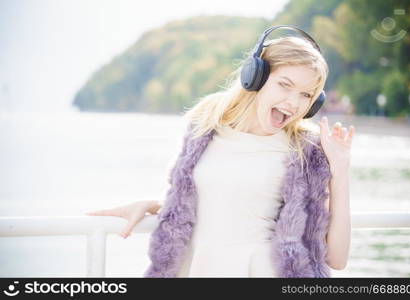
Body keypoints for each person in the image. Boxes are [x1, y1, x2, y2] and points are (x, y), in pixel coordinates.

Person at [86, 28, 355, 277]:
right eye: (284, 85)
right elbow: (216, 202)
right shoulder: (206, 126)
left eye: (307, 95)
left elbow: (337, 258)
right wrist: (154, 206)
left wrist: (339, 169)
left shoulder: (304, 151)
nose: (293, 103)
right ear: (256, 76)